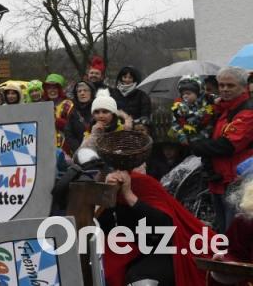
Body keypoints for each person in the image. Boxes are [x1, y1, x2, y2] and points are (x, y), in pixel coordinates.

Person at [100, 168, 215, 286]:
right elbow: (104, 226)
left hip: (169, 249)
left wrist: (130, 196)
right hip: (135, 249)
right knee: (106, 271)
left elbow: (165, 228)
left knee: (140, 279)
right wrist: (109, 194)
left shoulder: (146, 184)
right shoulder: (110, 184)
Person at [190, 66, 253, 234]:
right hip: (219, 182)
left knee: (234, 235)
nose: (224, 89)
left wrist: (196, 146)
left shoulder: (247, 112)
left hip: (238, 184)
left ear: (243, 87)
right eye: (221, 85)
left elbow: (228, 145)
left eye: (230, 85)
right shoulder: (225, 109)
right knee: (223, 232)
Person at [44, 74, 85, 157]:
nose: (52, 91)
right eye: (49, 88)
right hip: (45, 146)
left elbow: (73, 127)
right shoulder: (42, 105)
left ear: (60, 89)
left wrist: (56, 121)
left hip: (64, 147)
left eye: (55, 88)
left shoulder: (68, 104)